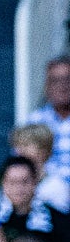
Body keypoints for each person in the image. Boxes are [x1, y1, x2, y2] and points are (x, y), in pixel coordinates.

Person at [26, 55, 70, 188]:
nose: (62, 86)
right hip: (45, 196)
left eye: (67, 80)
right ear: (47, 86)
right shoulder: (34, 122)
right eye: (55, 80)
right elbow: (21, 165)